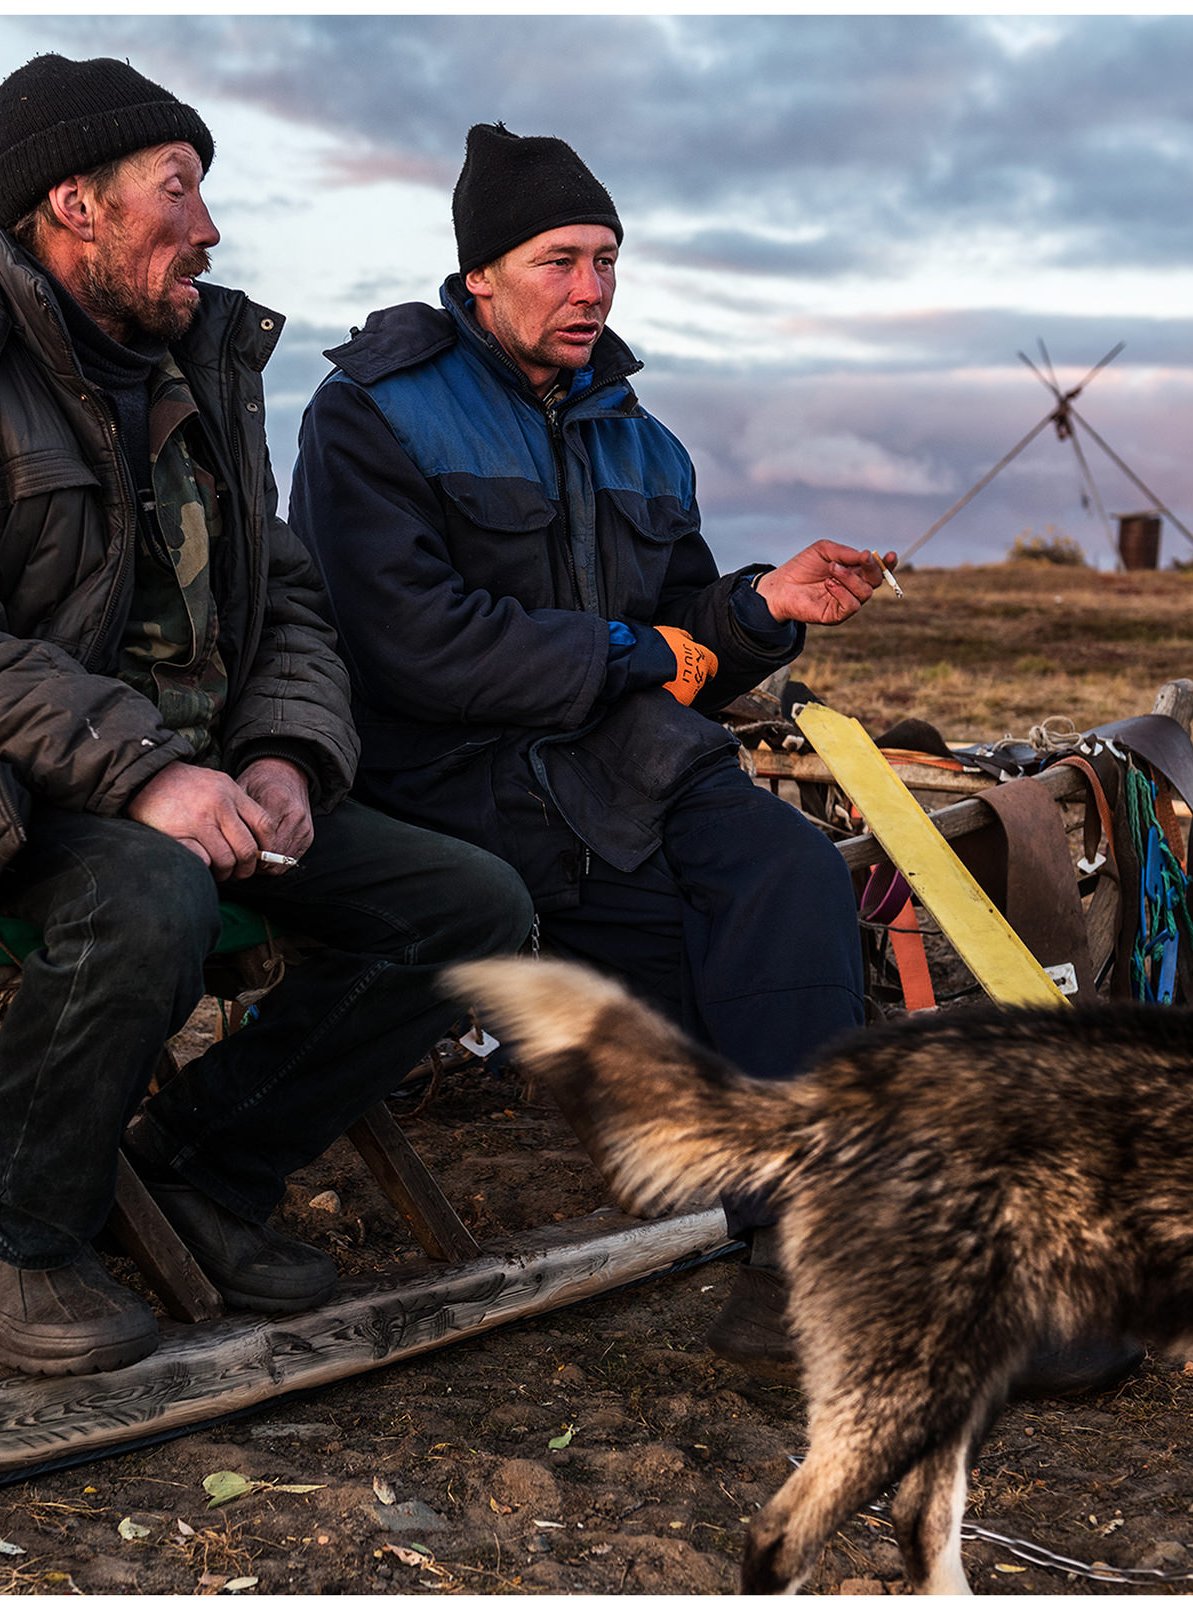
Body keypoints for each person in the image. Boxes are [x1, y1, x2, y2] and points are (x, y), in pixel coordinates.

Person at [0, 58, 533, 1377]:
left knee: (469, 905)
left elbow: (281, 596)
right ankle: (3, 1228)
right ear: (76, 202)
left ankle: (194, 1175)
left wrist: (284, 751)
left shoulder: (203, 364)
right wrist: (145, 773)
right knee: (151, 891)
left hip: (176, 761)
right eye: (180, 189)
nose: (211, 228)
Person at [287, 123, 896, 1378]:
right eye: (560, 259)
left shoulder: (639, 436)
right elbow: (414, 646)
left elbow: (689, 636)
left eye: (607, 259)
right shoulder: (371, 416)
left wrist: (762, 607)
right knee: (714, 965)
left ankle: (803, 1262)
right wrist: (643, 656)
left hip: (615, 769)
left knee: (789, 872)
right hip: (446, 784)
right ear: (481, 278)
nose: (591, 288)